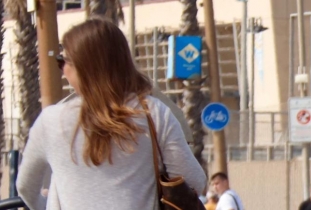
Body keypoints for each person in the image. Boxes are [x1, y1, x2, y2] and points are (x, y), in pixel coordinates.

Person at [16, 18, 207, 210]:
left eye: (62, 61)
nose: (63, 70)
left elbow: (25, 186)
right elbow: (193, 181)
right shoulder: (154, 112)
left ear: (82, 67)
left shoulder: (50, 121)